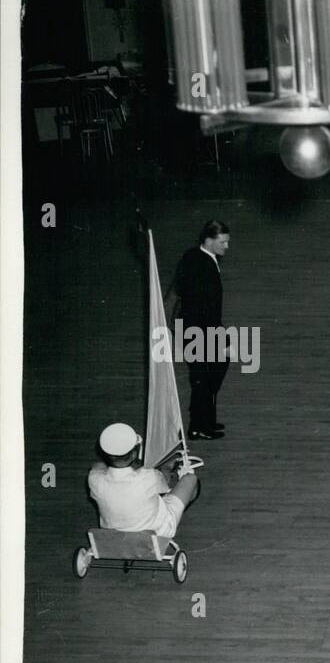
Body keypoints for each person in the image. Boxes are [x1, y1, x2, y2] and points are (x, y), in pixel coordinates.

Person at [167, 219, 231, 441]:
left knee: (209, 372)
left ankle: (206, 421)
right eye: (222, 242)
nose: (226, 247)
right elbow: (204, 307)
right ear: (209, 240)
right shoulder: (202, 265)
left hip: (193, 327)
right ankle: (198, 426)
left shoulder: (194, 256)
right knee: (203, 376)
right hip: (199, 330)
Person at [87, 422, 200, 537]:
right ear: (133, 455)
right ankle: (177, 513)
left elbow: (97, 466)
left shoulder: (94, 479)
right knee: (190, 479)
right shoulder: (148, 476)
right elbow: (165, 480)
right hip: (156, 532)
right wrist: (166, 467)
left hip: (112, 532)